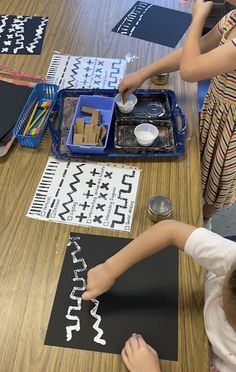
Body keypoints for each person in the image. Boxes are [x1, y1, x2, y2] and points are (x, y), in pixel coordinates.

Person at [119, 0, 236, 229]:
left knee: (220, 181)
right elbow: (195, 50)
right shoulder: (232, 17)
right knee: (203, 166)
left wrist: (197, 18)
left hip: (231, 124)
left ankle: (202, 219)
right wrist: (144, 72)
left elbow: (189, 70)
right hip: (217, 108)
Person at [82, 219, 236, 372]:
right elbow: (170, 230)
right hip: (196, 308)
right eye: (224, 287)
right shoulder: (232, 259)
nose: (221, 302)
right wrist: (109, 268)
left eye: (227, 308)